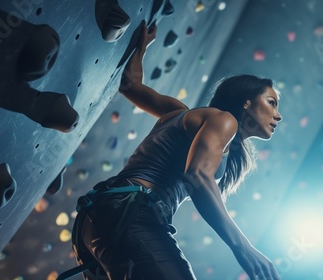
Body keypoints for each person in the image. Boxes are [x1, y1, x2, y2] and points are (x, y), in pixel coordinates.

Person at [71, 20, 283, 280]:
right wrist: (243, 248)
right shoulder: (225, 120)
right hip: (129, 214)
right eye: (271, 102)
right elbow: (197, 175)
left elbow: (130, 86)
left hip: (95, 220)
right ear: (247, 103)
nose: (278, 115)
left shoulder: (184, 114)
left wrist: (142, 47)